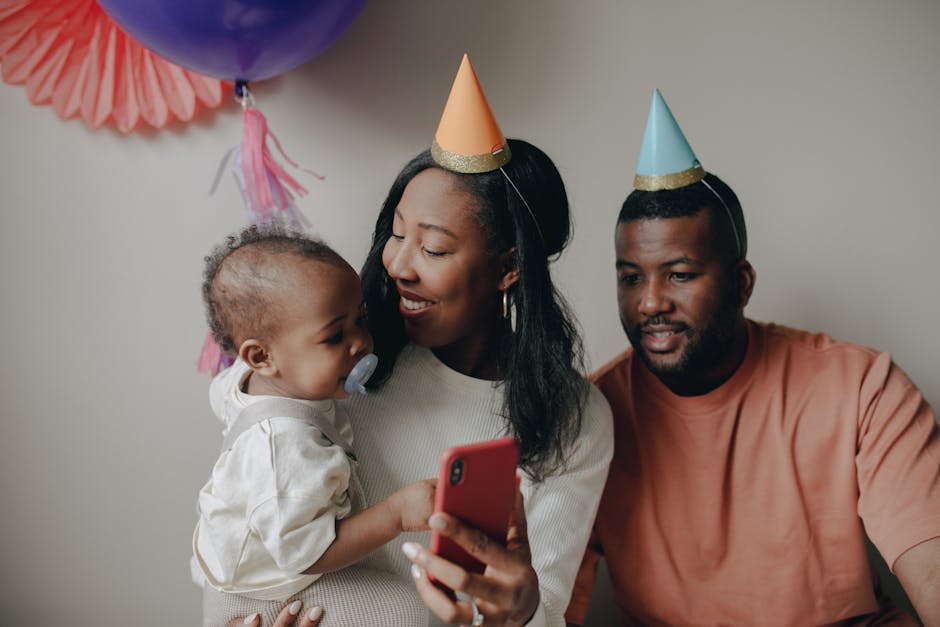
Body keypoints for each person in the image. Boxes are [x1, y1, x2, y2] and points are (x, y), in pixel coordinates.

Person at [230, 54, 614, 627]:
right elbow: (244, 493)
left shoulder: (572, 417)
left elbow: (546, 609)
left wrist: (518, 614)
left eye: (432, 249)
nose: (397, 266)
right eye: (396, 233)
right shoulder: (338, 361)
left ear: (508, 267)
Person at [565, 89, 940, 626]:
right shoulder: (588, 419)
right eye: (631, 278)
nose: (649, 302)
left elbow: (932, 564)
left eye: (680, 274)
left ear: (741, 284)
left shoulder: (862, 387)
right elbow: (548, 601)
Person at [193, 226, 433, 627]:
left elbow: (221, 395)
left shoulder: (249, 380)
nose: (360, 343)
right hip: (260, 592)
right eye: (334, 336)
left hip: (244, 564)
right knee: (402, 610)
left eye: (361, 319)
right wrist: (395, 515)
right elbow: (307, 555)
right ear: (262, 356)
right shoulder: (286, 446)